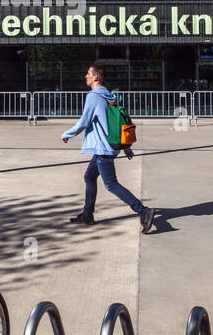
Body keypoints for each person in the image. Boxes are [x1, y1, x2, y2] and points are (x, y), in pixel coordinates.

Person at [62, 63, 155, 232]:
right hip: (107, 146)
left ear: (96, 77)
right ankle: (87, 214)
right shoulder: (109, 96)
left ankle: (143, 211)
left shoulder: (94, 96)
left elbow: (84, 121)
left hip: (102, 148)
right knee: (89, 177)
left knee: (111, 184)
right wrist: (125, 147)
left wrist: (67, 134)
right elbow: (116, 122)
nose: (86, 76)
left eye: (88, 73)